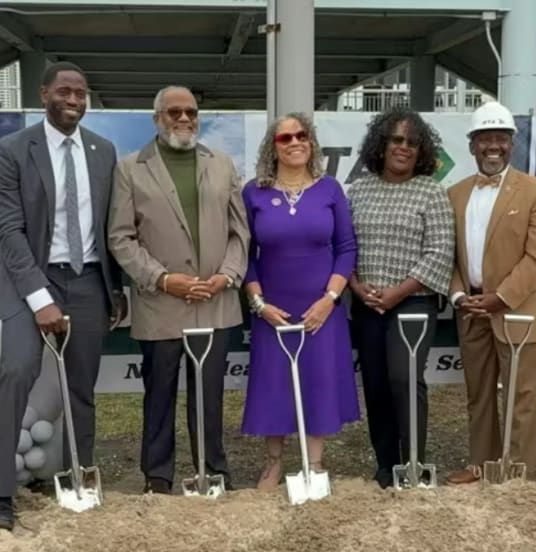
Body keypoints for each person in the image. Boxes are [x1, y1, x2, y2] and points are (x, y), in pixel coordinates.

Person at [0, 62, 125, 529]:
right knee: (15, 372)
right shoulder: (13, 150)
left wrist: (119, 290)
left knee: (81, 387)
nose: (73, 99)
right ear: (44, 93)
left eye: (81, 92)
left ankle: (77, 483)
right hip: (27, 280)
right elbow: (9, 231)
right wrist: (39, 298)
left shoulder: (103, 150)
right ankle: (2, 495)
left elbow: (113, 228)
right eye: (64, 91)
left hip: (89, 280)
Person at [108, 85, 248, 493]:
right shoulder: (130, 168)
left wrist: (227, 275)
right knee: (160, 395)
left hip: (216, 302)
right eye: (174, 112)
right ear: (157, 118)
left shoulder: (221, 164)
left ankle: (214, 473)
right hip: (162, 304)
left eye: (190, 111)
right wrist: (164, 279)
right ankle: (158, 477)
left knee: (210, 396)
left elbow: (241, 231)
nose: (184, 119)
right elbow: (121, 238)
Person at [240, 112, 359, 491]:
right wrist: (260, 306)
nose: (294, 142)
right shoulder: (253, 192)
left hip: (322, 310)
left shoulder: (330, 190)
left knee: (319, 382)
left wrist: (330, 299)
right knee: (273, 385)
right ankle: (273, 464)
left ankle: (316, 464)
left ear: (312, 142)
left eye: (301, 135)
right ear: (272, 147)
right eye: (284, 137)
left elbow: (346, 248)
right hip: (272, 312)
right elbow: (245, 255)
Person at [444, 102, 536, 485]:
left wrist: (500, 298)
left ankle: (518, 472)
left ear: (512, 144)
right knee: (478, 393)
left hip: (517, 309)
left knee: (520, 395)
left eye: (501, 139)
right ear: (472, 145)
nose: (493, 146)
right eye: (485, 139)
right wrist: (460, 296)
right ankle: (480, 464)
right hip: (471, 308)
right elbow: (450, 256)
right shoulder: (455, 194)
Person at [347, 107, 455, 489]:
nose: (403, 148)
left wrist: (397, 292)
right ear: (381, 143)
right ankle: (385, 466)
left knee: (404, 378)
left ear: (422, 150)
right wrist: (357, 285)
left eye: (412, 142)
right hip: (365, 302)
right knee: (375, 384)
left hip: (411, 303)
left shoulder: (431, 191)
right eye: (396, 139)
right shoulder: (357, 190)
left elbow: (441, 252)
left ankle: (412, 466)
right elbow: (344, 246)